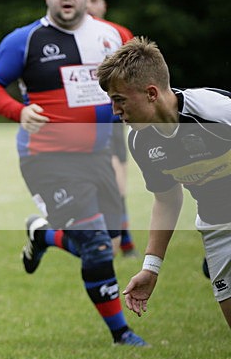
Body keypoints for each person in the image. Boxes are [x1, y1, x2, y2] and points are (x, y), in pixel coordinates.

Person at [0, 0, 146, 346]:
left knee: (109, 241)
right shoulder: (26, 40)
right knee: (97, 248)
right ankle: (122, 334)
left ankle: (44, 235)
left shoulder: (116, 36)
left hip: (98, 154)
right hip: (47, 159)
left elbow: (142, 82)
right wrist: (18, 111)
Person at [96, 36, 231, 330]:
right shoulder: (140, 141)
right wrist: (151, 268)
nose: (115, 111)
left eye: (119, 100)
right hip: (217, 229)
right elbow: (167, 199)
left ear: (151, 93)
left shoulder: (217, 111)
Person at [87, 0, 138, 257]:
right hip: (84, 121)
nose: (89, 6)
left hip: (113, 117)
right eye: (86, 0)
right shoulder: (67, 39)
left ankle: (122, 237)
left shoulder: (118, 34)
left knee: (117, 179)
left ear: (104, 5)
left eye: (94, 0)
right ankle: (111, 238)